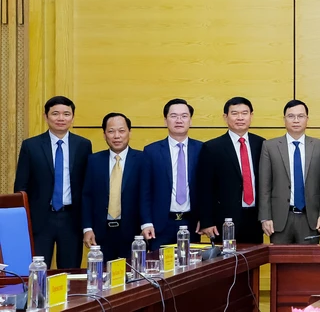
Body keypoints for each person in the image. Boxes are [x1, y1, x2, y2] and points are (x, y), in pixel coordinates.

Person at [15, 96, 92, 267]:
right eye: (55, 113)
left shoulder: (83, 145)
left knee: (70, 271)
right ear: (45, 116)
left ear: (72, 117)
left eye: (66, 114)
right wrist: (23, 222)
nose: (61, 118)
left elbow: (87, 186)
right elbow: (21, 187)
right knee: (37, 271)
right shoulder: (31, 146)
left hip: (71, 219)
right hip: (41, 219)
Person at [196, 97, 265, 245]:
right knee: (227, 264)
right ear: (225, 117)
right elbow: (204, 187)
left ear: (251, 116)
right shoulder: (212, 148)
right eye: (235, 113)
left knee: (254, 262)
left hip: (256, 217)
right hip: (225, 220)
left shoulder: (262, 144)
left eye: (244, 113)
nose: (240, 117)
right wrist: (206, 221)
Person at [258, 100, 320, 244]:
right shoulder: (269, 146)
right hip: (279, 220)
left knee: (308, 265)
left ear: (307, 119)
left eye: (300, 116)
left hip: (311, 218)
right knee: (280, 264)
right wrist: (265, 217)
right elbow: (264, 185)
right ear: (284, 119)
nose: (296, 120)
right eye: (291, 116)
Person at [82, 113, 146, 262]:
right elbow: (87, 196)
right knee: (102, 278)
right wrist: (87, 228)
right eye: (111, 131)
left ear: (129, 132)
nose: (117, 136)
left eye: (121, 131)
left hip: (133, 233)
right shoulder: (94, 161)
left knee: (133, 278)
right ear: (104, 134)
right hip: (100, 233)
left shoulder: (143, 159)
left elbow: (148, 196)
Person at [141, 99, 202, 250]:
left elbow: (207, 189)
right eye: (174, 116)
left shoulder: (202, 149)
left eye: (184, 116)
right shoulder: (151, 151)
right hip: (160, 225)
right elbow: (144, 191)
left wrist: (205, 218)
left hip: (192, 224)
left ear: (190, 120)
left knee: (192, 270)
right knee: (160, 270)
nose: (179, 120)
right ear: (165, 120)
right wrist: (146, 222)